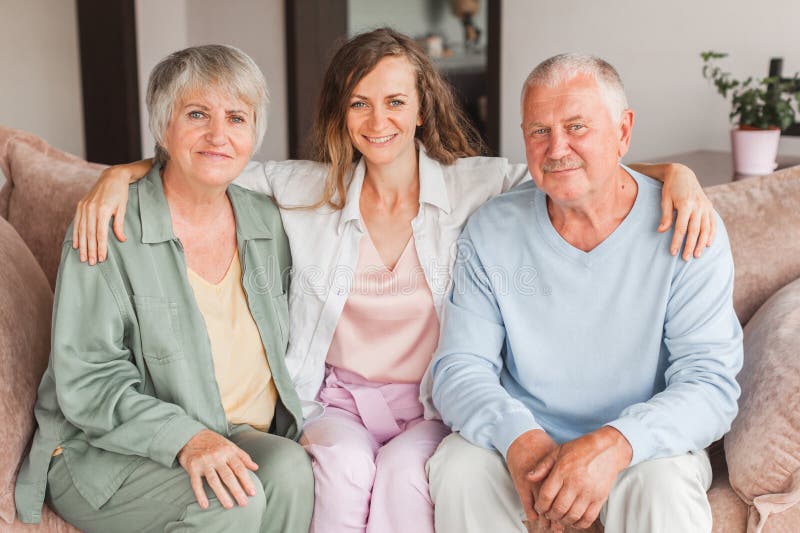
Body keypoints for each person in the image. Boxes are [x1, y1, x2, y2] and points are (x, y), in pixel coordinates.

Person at [70, 30, 716, 533]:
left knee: (413, 473)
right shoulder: (304, 189)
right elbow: (211, 162)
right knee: (345, 469)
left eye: (395, 101)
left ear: (420, 111)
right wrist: (116, 175)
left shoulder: (474, 185)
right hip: (338, 399)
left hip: (428, 400)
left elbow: (572, 165)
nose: (377, 120)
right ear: (341, 113)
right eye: (359, 102)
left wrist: (679, 177)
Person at [427, 53, 743, 533]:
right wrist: (520, 440)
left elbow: (710, 384)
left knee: (662, 483)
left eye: (577, 126)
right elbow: (458, 368)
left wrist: (615, 443)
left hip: (642, 449)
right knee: (460, 468)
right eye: (539, 131)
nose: (557, 148)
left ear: (623, 130)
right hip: (525, 441)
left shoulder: (688, 227)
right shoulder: (491, 229)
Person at [14, 45, 314, 533]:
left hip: (228, 429)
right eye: (197, 114)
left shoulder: (265, 220)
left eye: (237, 117)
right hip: (103, 449)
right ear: (163, 126)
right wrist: (187, 438)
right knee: (231, 499)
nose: (219, 134)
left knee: (293, 470)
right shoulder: (108, 225)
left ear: (253, 133)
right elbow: (88, 379)